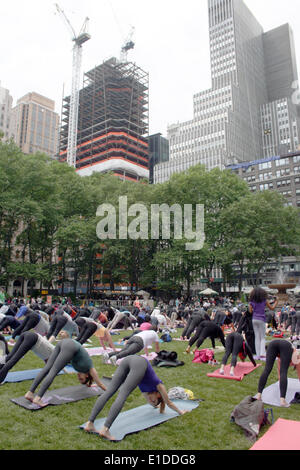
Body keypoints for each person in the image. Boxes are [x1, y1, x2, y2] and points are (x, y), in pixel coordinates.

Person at [84, 355, 189, 440]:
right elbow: (168, 402)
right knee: (122, 394)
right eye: (154, 400)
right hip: (139, 363)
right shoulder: (159, 386)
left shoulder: (146, 392)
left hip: (129, 360)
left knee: (109, 392)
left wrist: (157, 407)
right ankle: (105, 429)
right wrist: (180, 412)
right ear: (158, 394)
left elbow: (155, 404)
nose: (152, 401)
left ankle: (90, 424)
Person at [24, 338, 107, 407]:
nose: (78, 377)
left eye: (79, 379)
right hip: (70, 345)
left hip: (63, 343)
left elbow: (64, 360)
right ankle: (38, 398)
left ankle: (30, 393)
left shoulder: (81, 369)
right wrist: (109, 391)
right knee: (53, 372)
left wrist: (89, 385)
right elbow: (100, 384)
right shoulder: (90, 367)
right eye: (81, 378)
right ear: (87, 376)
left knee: (47, 368)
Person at [257, 339, 300, 407]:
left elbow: (280, 375)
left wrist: (281, 382)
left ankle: (259, 395)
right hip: (286, 346)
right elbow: (298, 372)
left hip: (272, 343)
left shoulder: (284, 357)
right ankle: (282, 400)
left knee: (267, 369)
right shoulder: (296, 355)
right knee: (284, 371)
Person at [248, 288, 278, 360]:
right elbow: (272, 308)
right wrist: (276, 301)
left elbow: (250, 311)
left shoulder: (251, 302)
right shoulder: (264, 301)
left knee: (257, 337)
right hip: (261, 319)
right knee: (262, 337)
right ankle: (262, 353)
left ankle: (258, 354)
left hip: (254, 319)